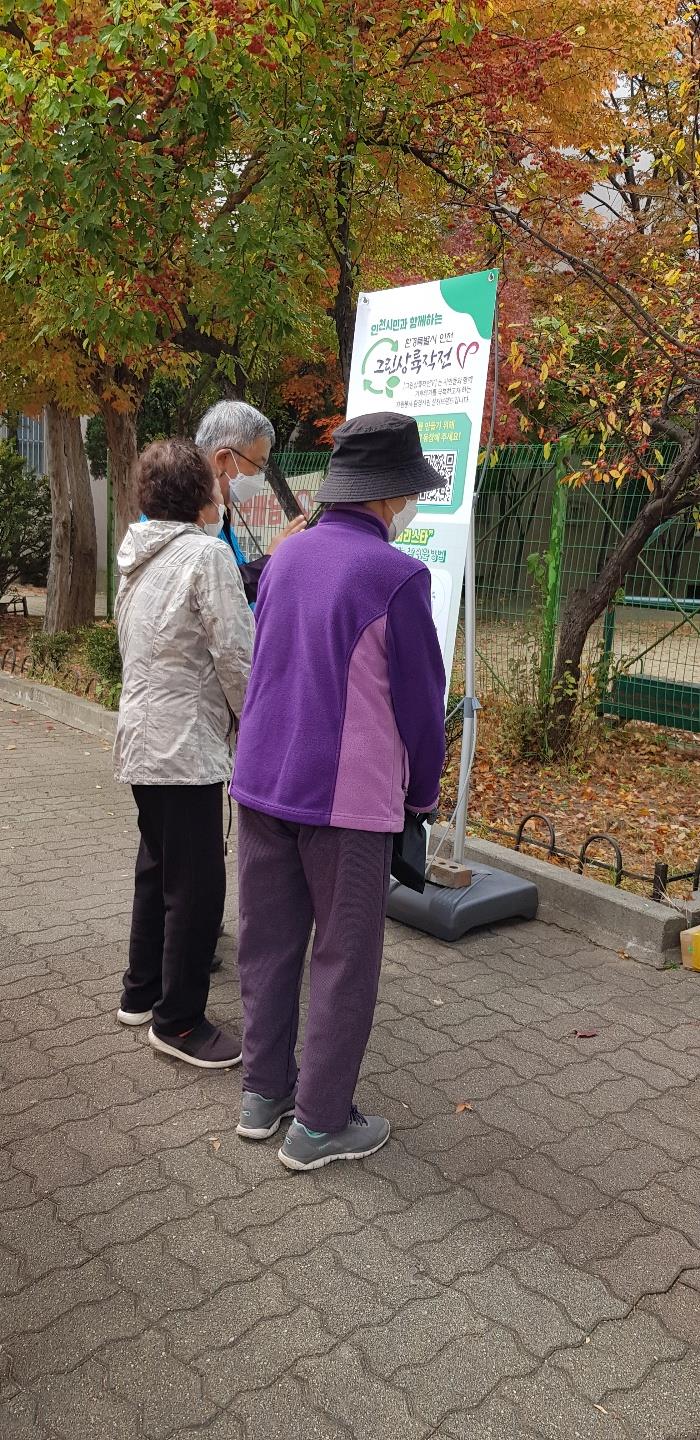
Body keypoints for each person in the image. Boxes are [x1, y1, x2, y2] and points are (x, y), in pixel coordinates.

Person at [230, 411, 447, 1170]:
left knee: (267, 944)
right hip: (344, 802)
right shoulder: (397, 576)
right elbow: (421, 705)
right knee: (345, 959)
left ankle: (263, 1094)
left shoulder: (288, 558)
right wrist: (422, 795)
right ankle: (320, 1125)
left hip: (259, 782)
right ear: (394, 496)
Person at [113, 438, 254, 1068]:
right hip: (185, 746)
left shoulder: (138, 555)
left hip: (140, 740)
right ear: (203, 493)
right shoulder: (205, 556)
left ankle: (140, 993)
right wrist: (256, 721)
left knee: (157, 865)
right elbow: (236, 655)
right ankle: (178, 1023)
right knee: (196, 884)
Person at [194, 400, 306, 603]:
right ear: (223, 460)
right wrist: (269, 562)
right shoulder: (178, 512)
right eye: (258, 465)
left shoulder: (218, 511)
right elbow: (215, 594)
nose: (259, 476)